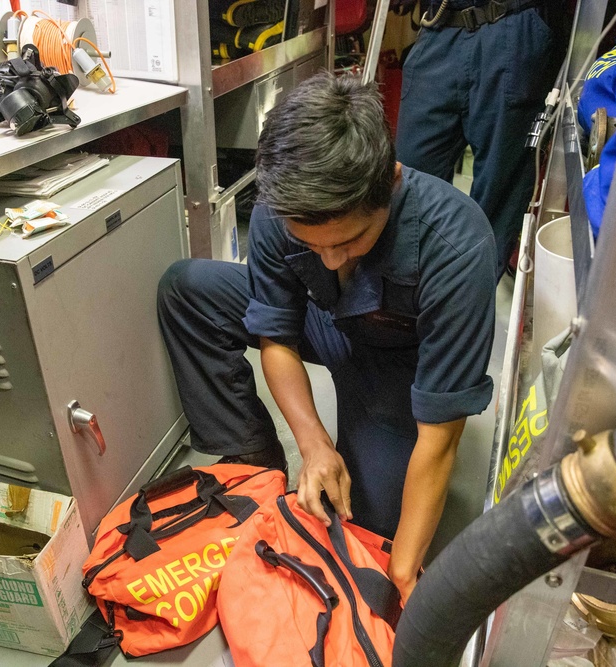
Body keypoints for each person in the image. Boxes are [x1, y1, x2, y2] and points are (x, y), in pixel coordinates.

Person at [157, 73, 496, 601]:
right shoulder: (282, 208)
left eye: (351, 239)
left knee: (369, 529)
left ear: (393, 180)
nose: (332, 258)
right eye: (311, 244)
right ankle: (255, 466)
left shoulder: (457, 244)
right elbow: (278, 337)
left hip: (398, 367)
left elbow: (441, 435)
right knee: (188, 287)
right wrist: (313, 445)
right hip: (326, 322)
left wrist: (403, 575)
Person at [395, 0, 564, 274]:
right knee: (409, 182)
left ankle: (465, 304)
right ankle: (407, 298)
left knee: (497, 195)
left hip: (511, 24)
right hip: (440, 26)